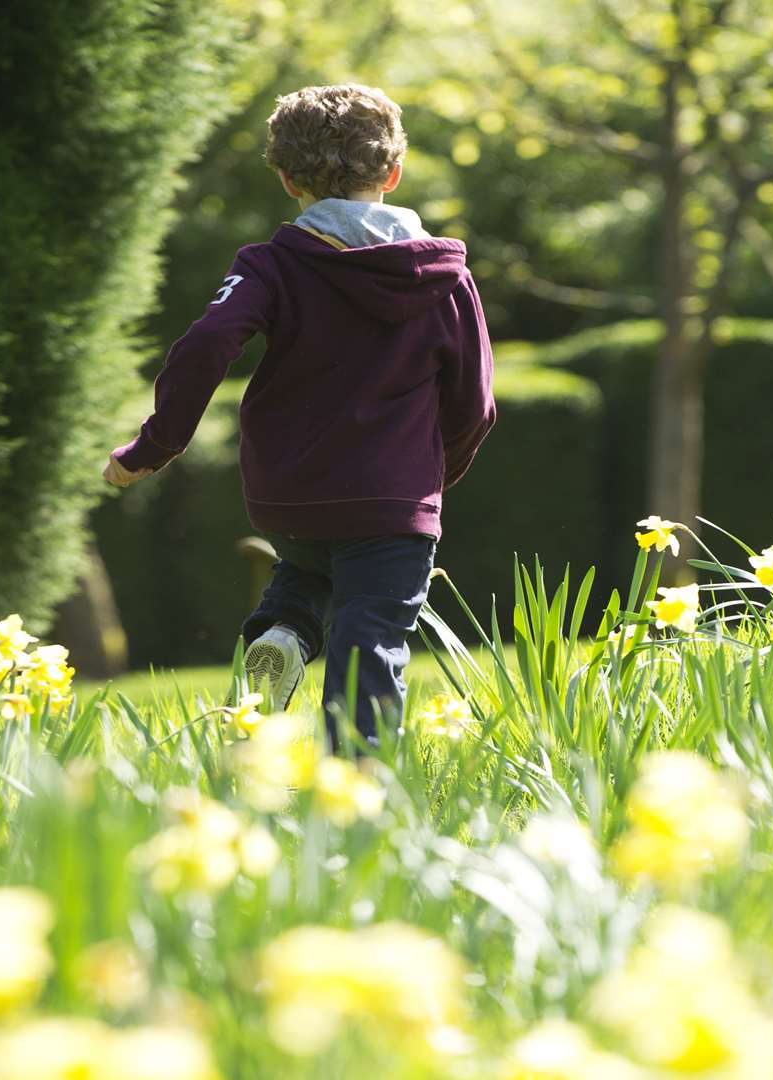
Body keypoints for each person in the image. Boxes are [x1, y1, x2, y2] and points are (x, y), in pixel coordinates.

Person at [105, 83, 495, 748]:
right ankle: (357, 783)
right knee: (371, 634)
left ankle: (281, 634)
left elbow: (205, 345)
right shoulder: (443, 277)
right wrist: (428, 481)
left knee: (309, 567)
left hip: (292, 493)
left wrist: (153, 446)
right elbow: (474, 404)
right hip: (392, 497)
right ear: (393, 173)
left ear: (287, 180)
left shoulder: (270, 266)